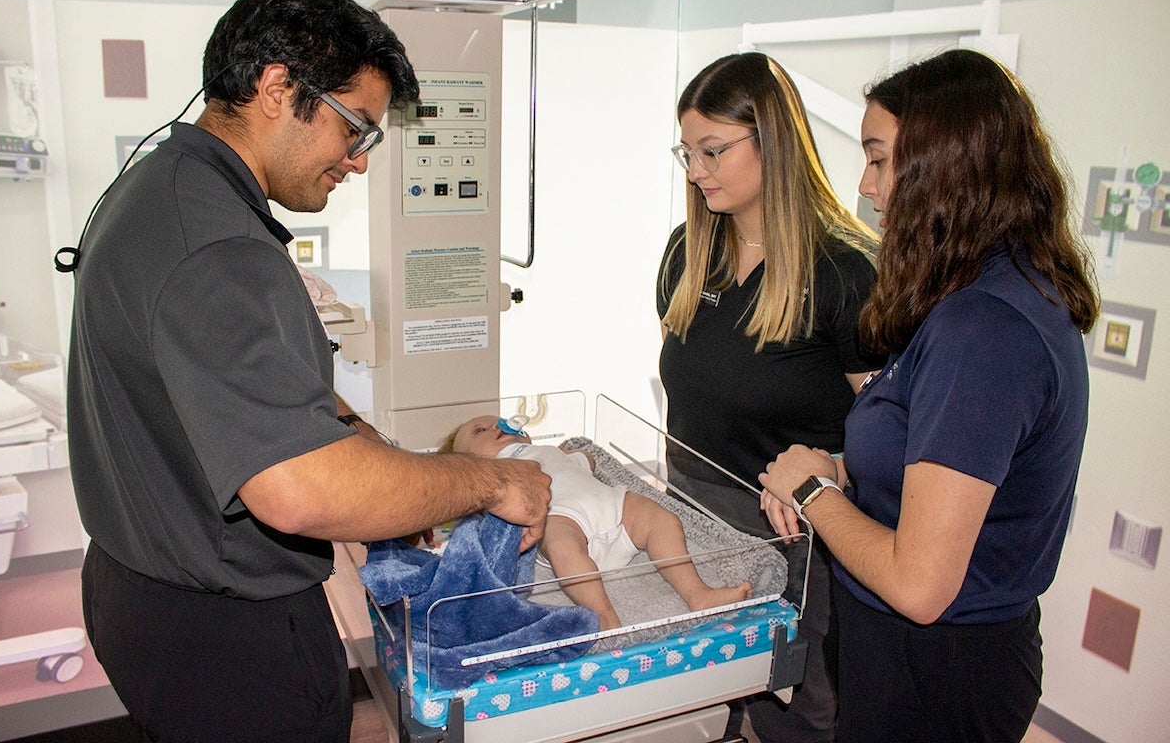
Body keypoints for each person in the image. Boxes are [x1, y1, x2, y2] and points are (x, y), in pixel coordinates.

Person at [65, 0, 551, 743]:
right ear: (276, 86)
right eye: (354, 127)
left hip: (142, 590)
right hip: (223, 640)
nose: (358, 160)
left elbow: (283, 399)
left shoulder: (163, 187)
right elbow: (298, 488)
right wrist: (487, 481)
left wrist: (400, 473)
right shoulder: (219, 247)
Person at [760, 48, 1099, 743]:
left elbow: (920, 586)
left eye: (880, 160)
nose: (866, 185)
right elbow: (941, 464)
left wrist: (810, 493)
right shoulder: (987, 294)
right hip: (914, 657)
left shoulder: (985, 332)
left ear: (943, 169)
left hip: (936, 674)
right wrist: (843, 468)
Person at [656, 52, 882, 743]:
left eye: (714, 150)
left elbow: (886, 433)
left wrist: (832, 476)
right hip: (692, 506)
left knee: (794, 705)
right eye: (687, 152)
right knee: (704, 694)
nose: (697, 172)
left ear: (772, 140)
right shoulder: (687, 254)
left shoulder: (846, 270)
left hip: (791, 529)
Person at [444, 415, 753, 630]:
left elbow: (586, 460)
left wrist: (575, 454)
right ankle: (604, 616)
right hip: (560, 516)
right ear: (470, 465)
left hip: (614, 507)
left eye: (496, 420)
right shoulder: (494, 474)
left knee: (663, 520)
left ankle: (697, 593)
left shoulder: (552, 451)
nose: (494, 426)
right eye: (479, 431)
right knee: (562, 547)